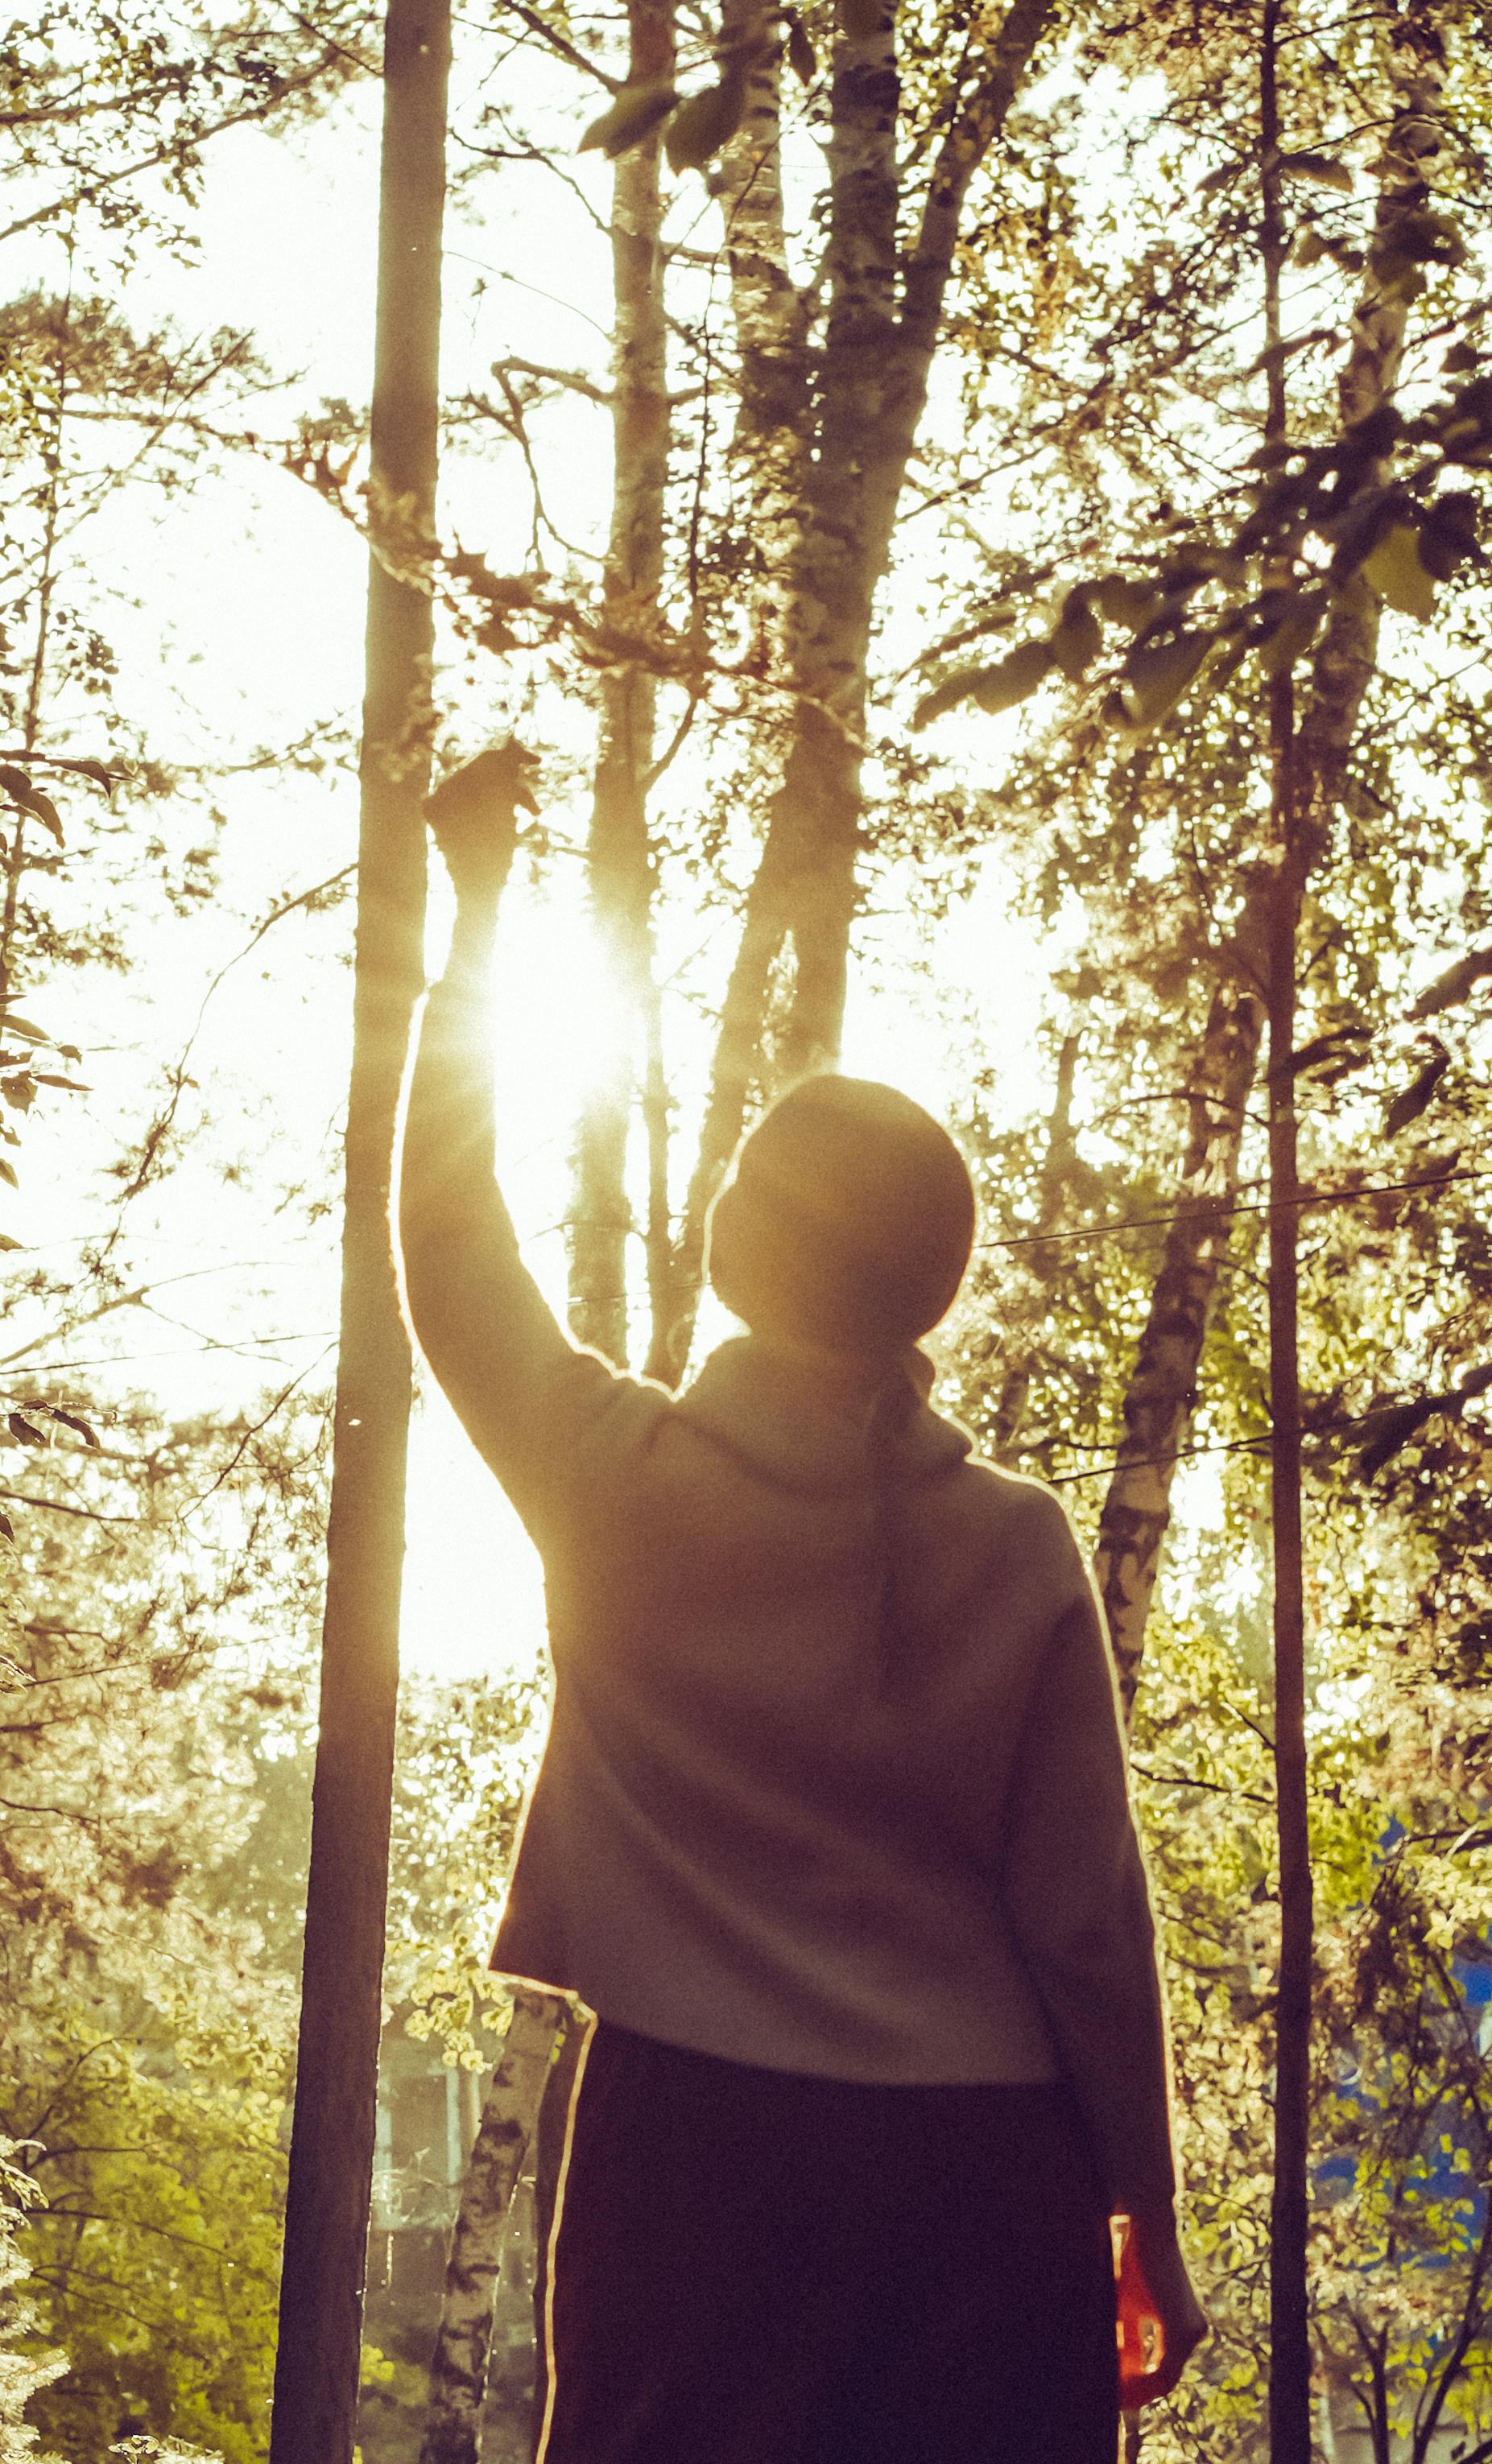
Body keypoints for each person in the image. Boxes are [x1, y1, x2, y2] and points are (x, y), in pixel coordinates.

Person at [399, 755, 1207, 2464]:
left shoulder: (607, 1474)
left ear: (722, 1247)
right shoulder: (1014, 1545)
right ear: (938, 1285)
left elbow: (449, 1239)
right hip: (986, 2176)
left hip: (694, 2156)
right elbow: (1081, 1920)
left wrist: (477, 916)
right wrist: (1144, 2208)